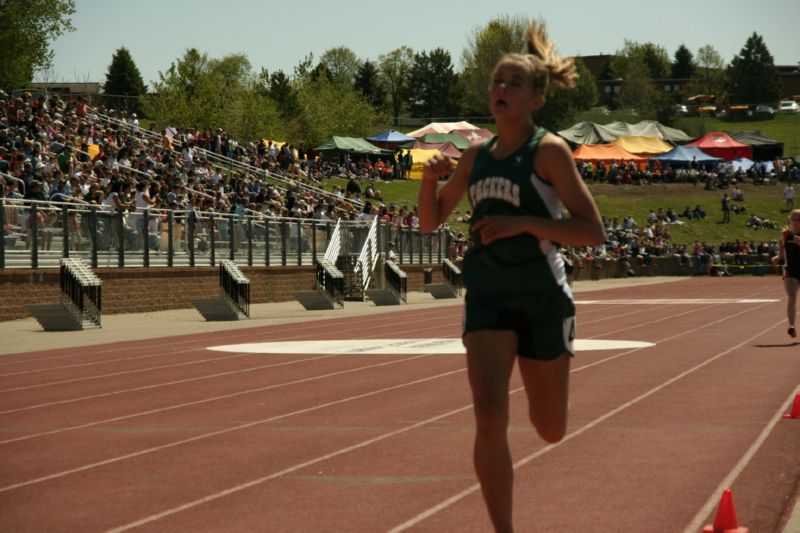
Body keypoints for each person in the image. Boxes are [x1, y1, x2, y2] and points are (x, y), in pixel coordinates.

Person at [417, 19, 604, 532]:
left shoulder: (548, 152)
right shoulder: (474, 156)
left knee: (550, 430)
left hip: (543, 299)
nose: (501, 90)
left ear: (535, 99)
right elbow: (432, 221)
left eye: (513, 83)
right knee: (489, 418)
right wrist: (429, 180)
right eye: (497, 82)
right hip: (488, 299)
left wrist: (522, 222)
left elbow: (592, 231)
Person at [773, 209, 800, 338]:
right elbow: (782, 248)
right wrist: (777, 257)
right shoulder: (785, 234)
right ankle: (792, 325)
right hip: (791, 270)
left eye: (798, 219)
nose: (795, 221)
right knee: (792, 297)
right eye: (793, 219)